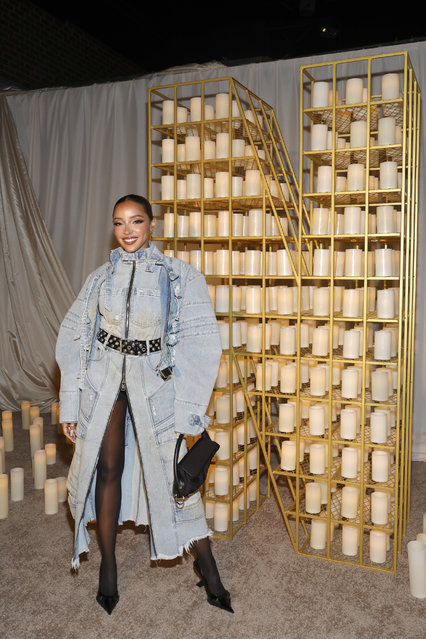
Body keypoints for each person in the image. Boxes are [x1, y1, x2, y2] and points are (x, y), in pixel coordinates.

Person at [56, 194, 233, 614]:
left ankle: (208, 569)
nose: (128, 231)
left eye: (136, 221)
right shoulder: (100, 279)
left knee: (176, 481)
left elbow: (201, 343)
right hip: (104, 381)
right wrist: (70, 402)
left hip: (155, 384)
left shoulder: (179, 276)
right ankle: (109, 566)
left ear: (152, 225)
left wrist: (190, 408)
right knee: (108, 469)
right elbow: (74, 336)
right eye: (119, 223)